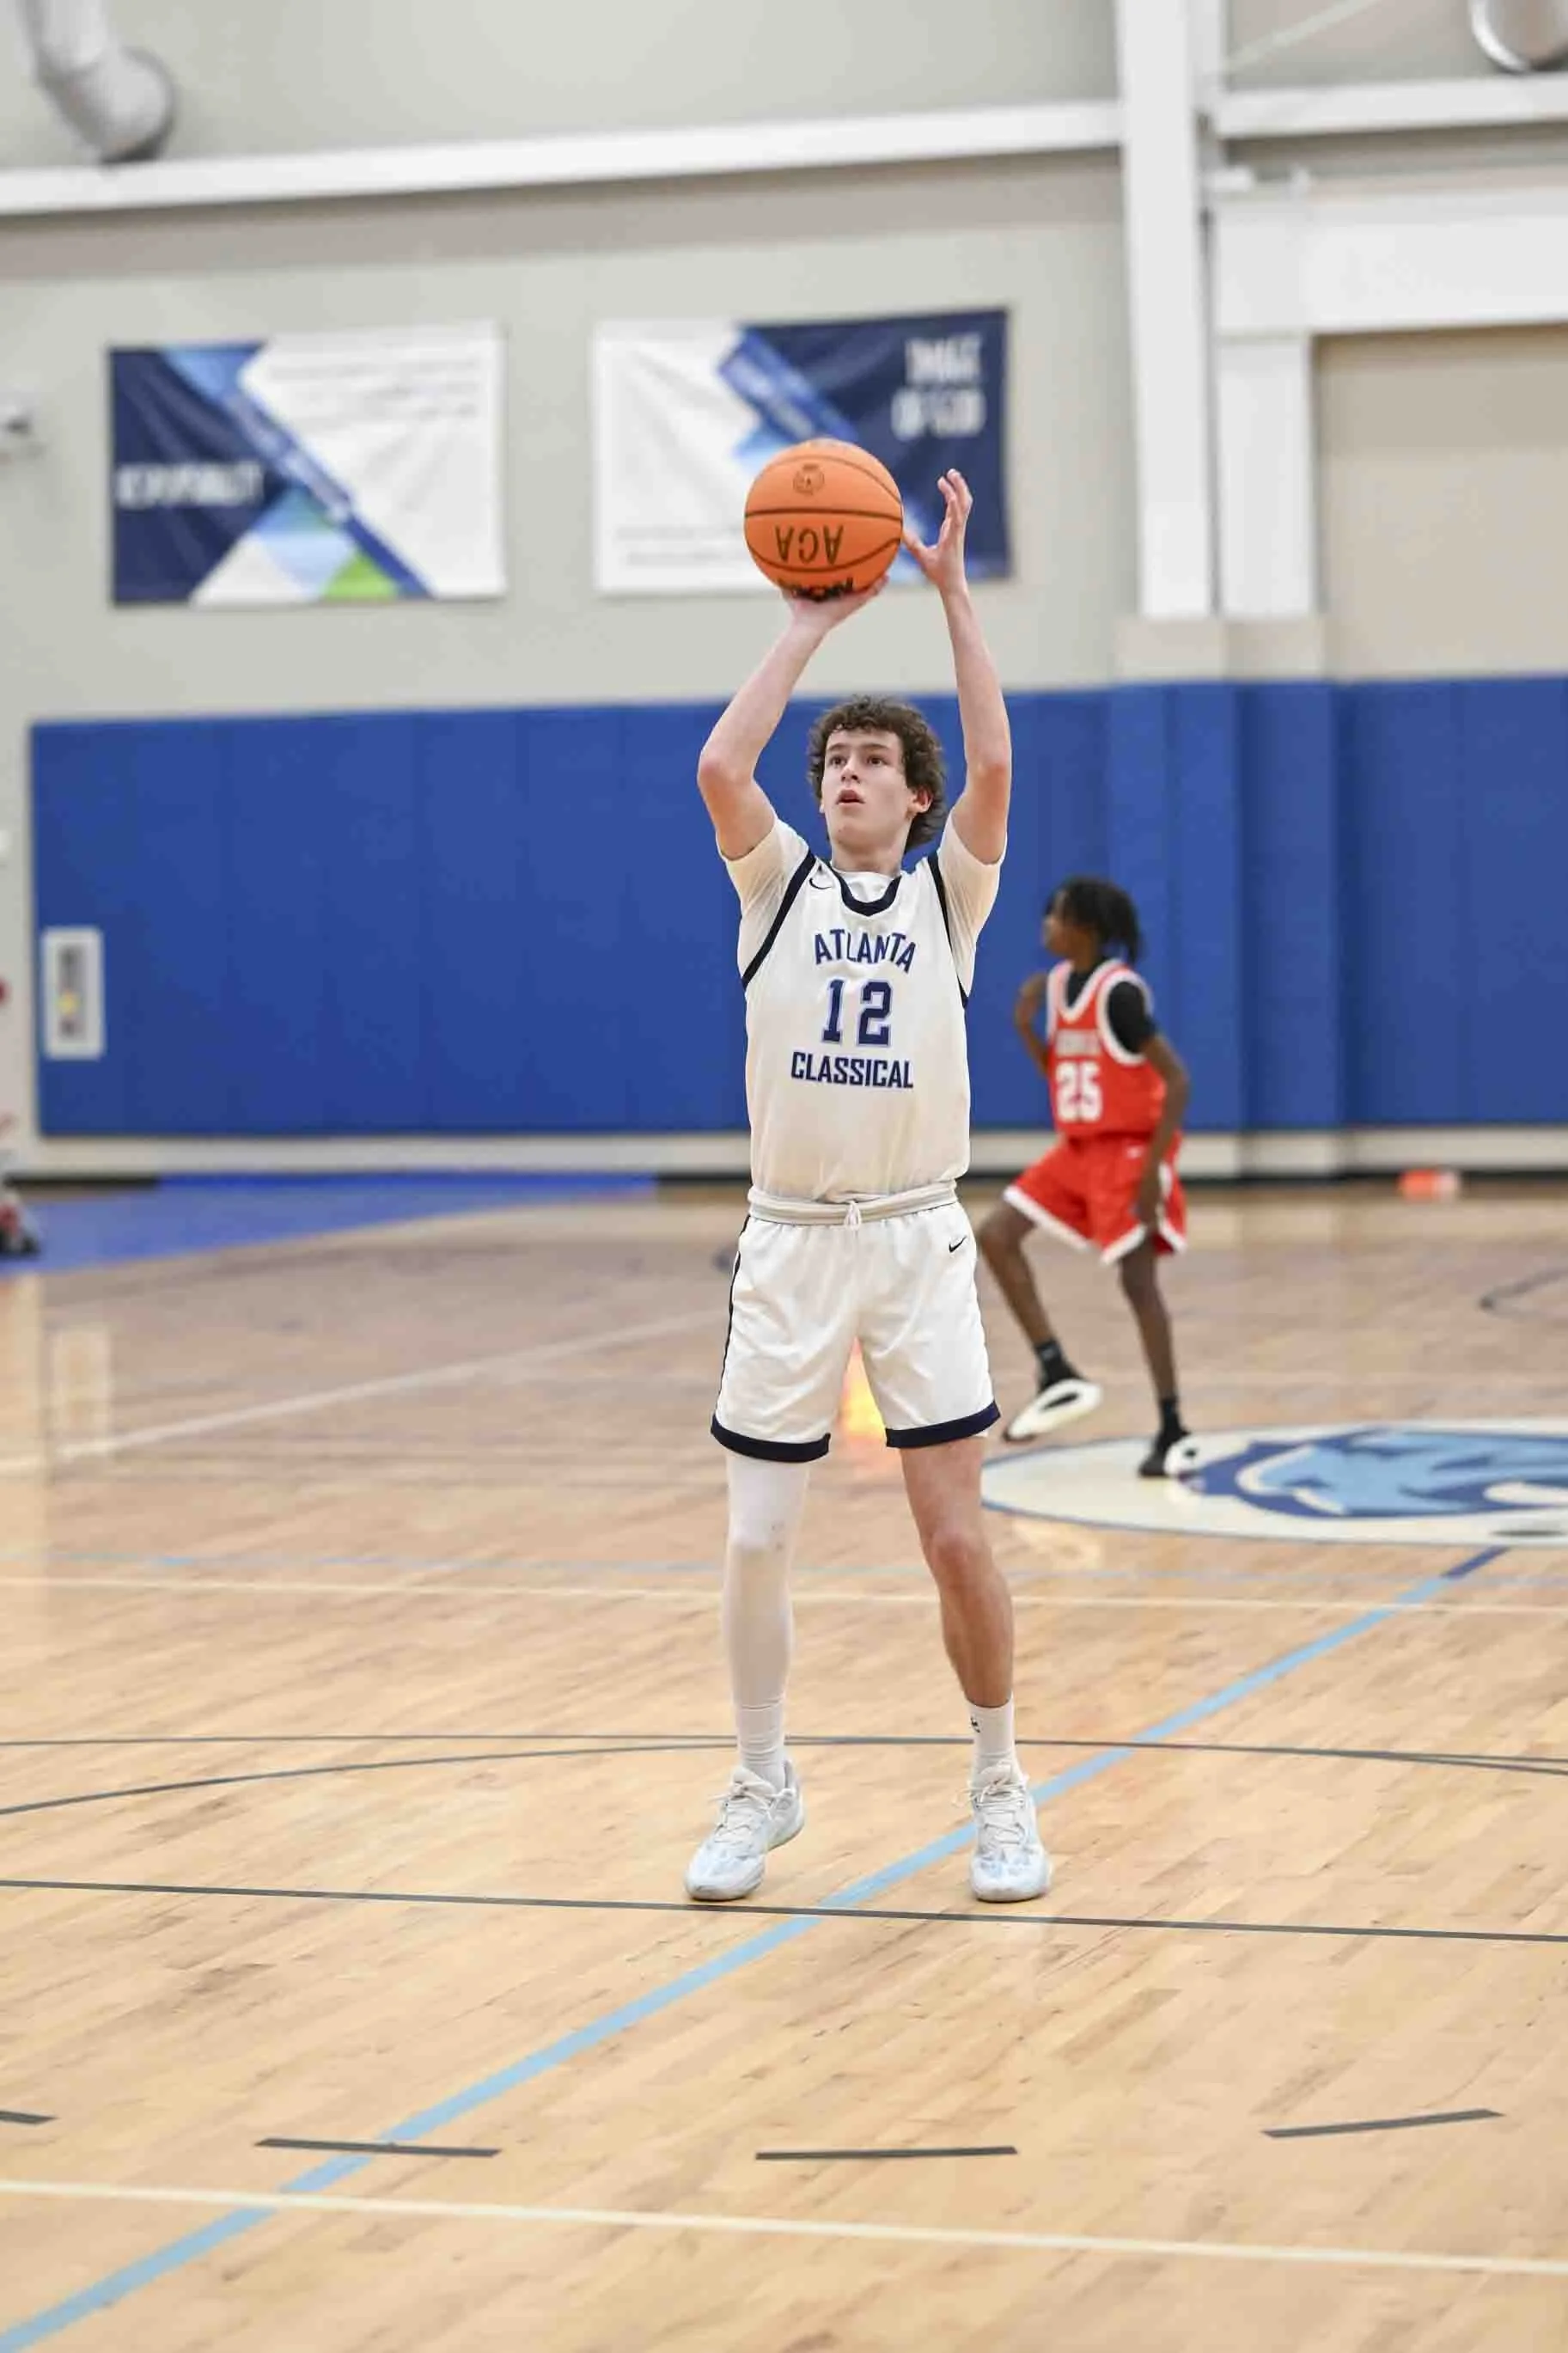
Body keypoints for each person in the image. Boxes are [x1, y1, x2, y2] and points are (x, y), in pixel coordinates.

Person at [686, 469, 1049, 1909]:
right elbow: (722, 769)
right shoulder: (772, 883)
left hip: (913, 1240)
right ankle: (762, 1782)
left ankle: (1002, 1784)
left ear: (913, 796)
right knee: (755, 1536)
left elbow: (1000, 770)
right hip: (788, 1244)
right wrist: (805, 629)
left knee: (955, 1533)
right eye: (831, 756)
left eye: (869, 761)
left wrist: (954, 594)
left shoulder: (944, 897)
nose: (842, 770)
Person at [979, 878, 1196, 1476]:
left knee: (1137, 1285)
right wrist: (1026, 1028)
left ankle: (1173, 1426)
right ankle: (1055, 1370)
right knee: (995, 1236)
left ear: (1087, 929)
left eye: (1056, 917)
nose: (1045, 926)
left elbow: (1176, 1081)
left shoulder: (1118, 994)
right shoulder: (1053, 987)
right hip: (1075, 1150)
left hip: (1127, 1152)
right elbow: (1065, 1070)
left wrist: (1154, 1171)